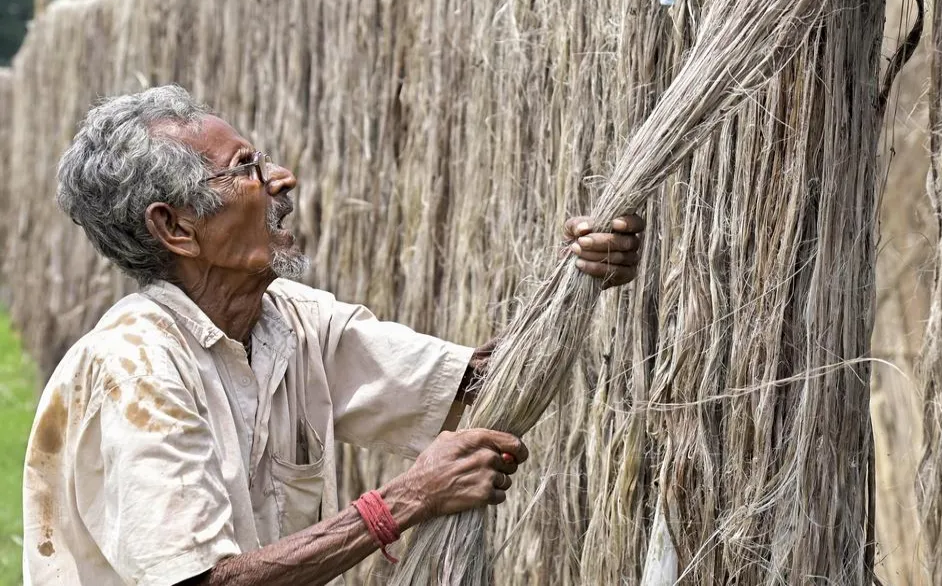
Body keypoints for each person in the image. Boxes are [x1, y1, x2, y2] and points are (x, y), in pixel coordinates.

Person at [22, 85, 645, 585]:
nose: (283, 179)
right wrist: (403, 501)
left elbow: (480, 387)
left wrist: (579, 279)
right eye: (246, 169)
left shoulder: (291, 321)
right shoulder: (136, 367)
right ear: (176, 228)